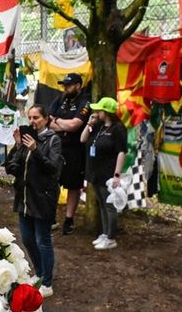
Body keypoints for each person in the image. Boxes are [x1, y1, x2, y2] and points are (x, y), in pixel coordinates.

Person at [5, 105, 63, 297]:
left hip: (42, 199)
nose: (32, 121)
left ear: (46, 119)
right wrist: (19, 147)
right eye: (29, 117)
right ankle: (39, 273)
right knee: (28, 239)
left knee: (42, 240)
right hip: (25, 198)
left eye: (36, 117)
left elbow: (52, 168)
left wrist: (35, 150)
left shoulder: (53, 140)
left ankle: (47, 283)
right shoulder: (26, 139)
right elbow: (10, 168)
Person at [81, 97, 127, 250]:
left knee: (109, 206)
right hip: (95, 172)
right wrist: (89, 123)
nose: (96, 112)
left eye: (99, 110)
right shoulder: (99, 126)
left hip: (108, 173)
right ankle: (105, 233)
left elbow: (121, 152)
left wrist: (117, 175)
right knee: (101, 204)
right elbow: (83, 139)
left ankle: (111, 237)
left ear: (106, 112)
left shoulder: (118, 129)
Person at [48, 73, 91, 234]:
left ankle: (69, 219)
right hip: (57, 148)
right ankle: (51, 218)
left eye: (69, 85)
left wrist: (57, 121)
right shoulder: (61, 98)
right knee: (53, 182)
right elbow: (47, 121)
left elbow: (75, 125)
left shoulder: (85, 101)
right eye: (64, 85)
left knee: (73, 185)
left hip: (75, 149)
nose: (65, 88)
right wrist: (62, 124)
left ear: (78, 85)